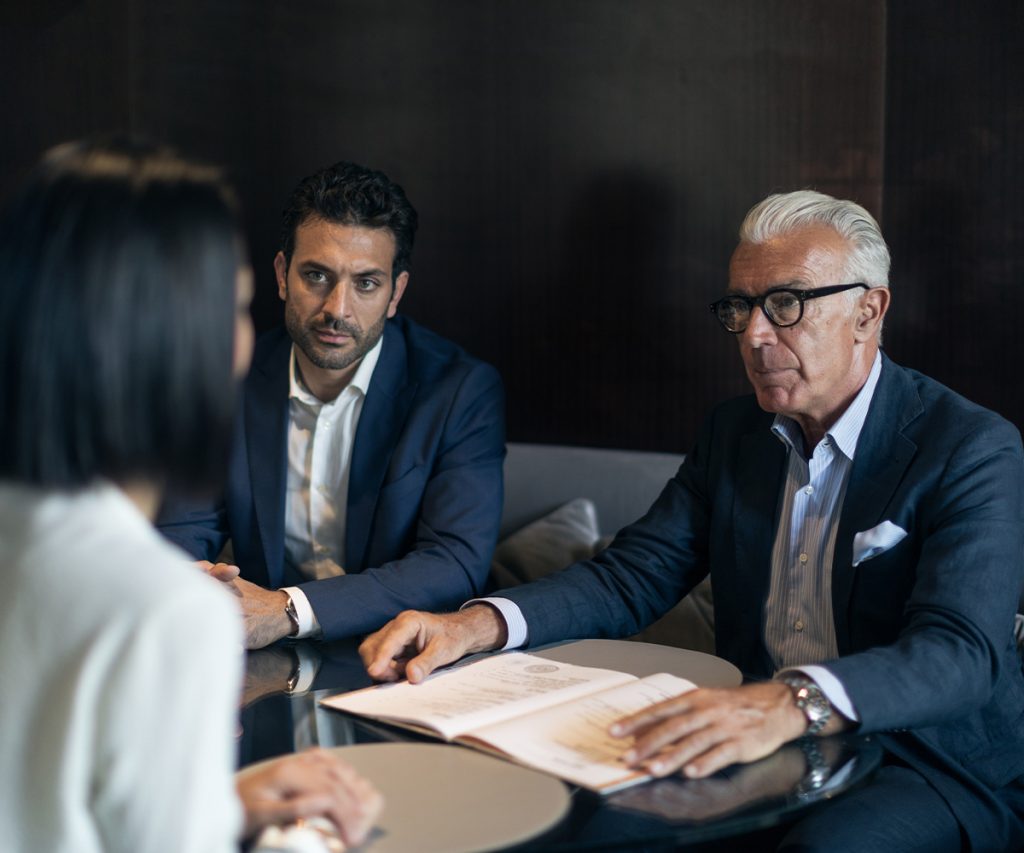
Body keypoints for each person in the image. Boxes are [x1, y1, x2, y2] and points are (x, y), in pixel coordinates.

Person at [360, 190, 1024, 851]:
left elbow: (960, 653)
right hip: (754, 740)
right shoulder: (734, 434)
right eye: (741, 307)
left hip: (923, 760)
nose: (756, 335)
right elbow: (630, 578)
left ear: (867, 310)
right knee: (595, 831)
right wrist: (476, 624)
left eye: (787, 304)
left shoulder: (970, 447)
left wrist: (788, 702)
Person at [0, 139, 382, 851]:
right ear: (178, 340)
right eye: (236, 309)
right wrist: (307, 840)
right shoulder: (163, 614)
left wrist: (216, 807)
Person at [158, 160, 505, 649]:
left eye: (366, 283)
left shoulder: (459, 390)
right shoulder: (228, 378)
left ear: (395, 293)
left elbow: (454, 563)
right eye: (317, 275)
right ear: (282, 275)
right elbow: (183, 530)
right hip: (266, 659)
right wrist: (191, 583)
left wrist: (288, 610)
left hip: (406, 657)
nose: (337, 310)